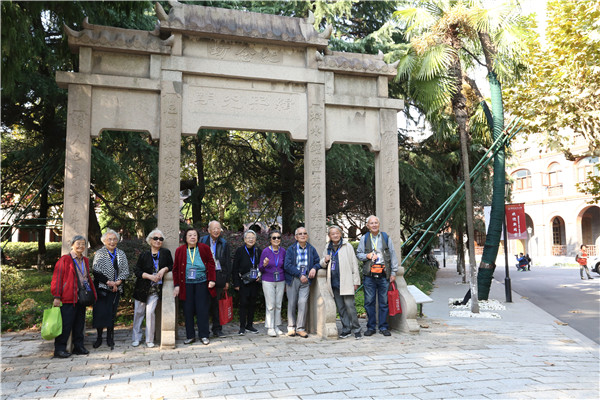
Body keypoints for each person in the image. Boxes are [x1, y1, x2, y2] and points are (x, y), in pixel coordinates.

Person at [51, 235, 97, 358]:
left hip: (81, 297)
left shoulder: (85, 260)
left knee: (79, 324)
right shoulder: (65, 260)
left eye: (83, 244)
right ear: (72, 245)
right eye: (78, 243)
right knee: (66, 325)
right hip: (68, 297)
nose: (81, 246)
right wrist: (57, 296)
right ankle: (59, 349)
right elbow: (57, 278)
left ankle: (78, 346)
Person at [356, 215, 398, 337]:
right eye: (371, 223)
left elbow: (393, 254)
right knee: (369, 302)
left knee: (384, 302)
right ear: (368, 226)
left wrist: (393, 272)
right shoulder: (364, 238)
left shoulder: (385, 237)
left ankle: (383, 327)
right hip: (369, 275)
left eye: (376, 223)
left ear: (379, 224)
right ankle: (371, 327)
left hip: (384, 274)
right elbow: (358, 254)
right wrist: (367, 256)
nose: (374, 225)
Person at [173, 228, 216, 345]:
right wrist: (176, 285)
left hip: (202, 283)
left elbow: (211, 264)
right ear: (185, 238)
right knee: (188, 310)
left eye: (195, 235)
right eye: (190, 235)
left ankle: (204, 335)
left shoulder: (204, 248)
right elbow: (175, 269)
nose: (192, 237)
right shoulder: (180, 250)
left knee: (202, 309)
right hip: (186, 285)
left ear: (198, 237)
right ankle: (190, 336)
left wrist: (212, 279)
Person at [131, 229, 173, 348]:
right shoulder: (144, 254)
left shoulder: (165, 253)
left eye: (160, 239)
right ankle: (136, 337)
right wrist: (149, 276)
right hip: (142, 288)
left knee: (150, 313)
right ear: (150, 240)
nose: (158, 241)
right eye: (155, 238)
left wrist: (163, 270)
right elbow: (137, 271)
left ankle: (149, 340)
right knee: (138, 313)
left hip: (156, 289)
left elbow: (171, 265)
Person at [320, 226, 362, 340]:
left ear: (340, 234)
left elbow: (354, 264)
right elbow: (322, 263)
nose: (335, 235)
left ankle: (356, 329)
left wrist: (356, 281)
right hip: (334, 282)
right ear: (329, 236)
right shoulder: (327, 247)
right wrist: (325, 260)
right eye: (332, 234)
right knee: (341, 308)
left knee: (350, 307)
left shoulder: (347, 246)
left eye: (337, 233)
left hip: (346, 281)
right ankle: (346, 329)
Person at [92, 229, 130, 350]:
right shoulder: (99, 253)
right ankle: (99, 338)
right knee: (100, 313)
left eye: (114, 239)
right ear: (104, 241)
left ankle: (110, 338)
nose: (112, 242)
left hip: (116, 289)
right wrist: (109, 282)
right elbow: (96, 271)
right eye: (109, 239)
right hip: (102, 288)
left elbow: (125, 270)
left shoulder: (121, 253)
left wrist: (117, 282)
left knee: (111, 314)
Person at [283, 227, 320, 338]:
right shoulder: (291, 249)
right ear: (296, 237)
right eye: (300, 234)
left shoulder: (311, 249)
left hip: (306, 280)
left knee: (303, 303)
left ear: (307, 236)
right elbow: (287, 265)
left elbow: (317, 262)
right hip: (293, 279)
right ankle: (291, 327)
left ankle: (300, 329)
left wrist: (314, 268)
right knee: (292, 303)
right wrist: (299, 275)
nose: (302, 235)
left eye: (304, 233)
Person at [199, 221, 231, 338]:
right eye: (214, 228)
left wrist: (227, 280)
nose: (216, 231)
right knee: (204, 304)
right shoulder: (202, 241)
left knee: (216, 304)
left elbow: (227, 262)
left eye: (218, 228)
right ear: (208, 230)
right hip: (204, 275)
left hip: (218, 276)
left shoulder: (224, 243)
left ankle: (217, 329)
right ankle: (204, 330)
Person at [233, 230, 262, 335]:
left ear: (255, 239)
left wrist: (260, 276)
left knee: (252, 304)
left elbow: (261, 266)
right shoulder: (240, 251)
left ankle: (249, 325)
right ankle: (242, 327)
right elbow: (235, 268)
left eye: (253, 238)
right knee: (243, 304)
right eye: (248, 238)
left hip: (255, 281)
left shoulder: (258, 251)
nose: (251, 239)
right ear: (245, 239)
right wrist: (236, 283)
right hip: (243, 282)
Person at [259, 230, 286, 337]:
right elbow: (260, 268)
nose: (276, 239)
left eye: (278, 237)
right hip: (268, 280)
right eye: (274, 238)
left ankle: (276, 326)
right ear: (270, 240)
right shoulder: (265, 251)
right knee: (270, 305)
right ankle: (270, 327)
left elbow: (285, 266)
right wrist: (264, 264)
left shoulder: (283, 251)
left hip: (281, 280)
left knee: (278, 304)